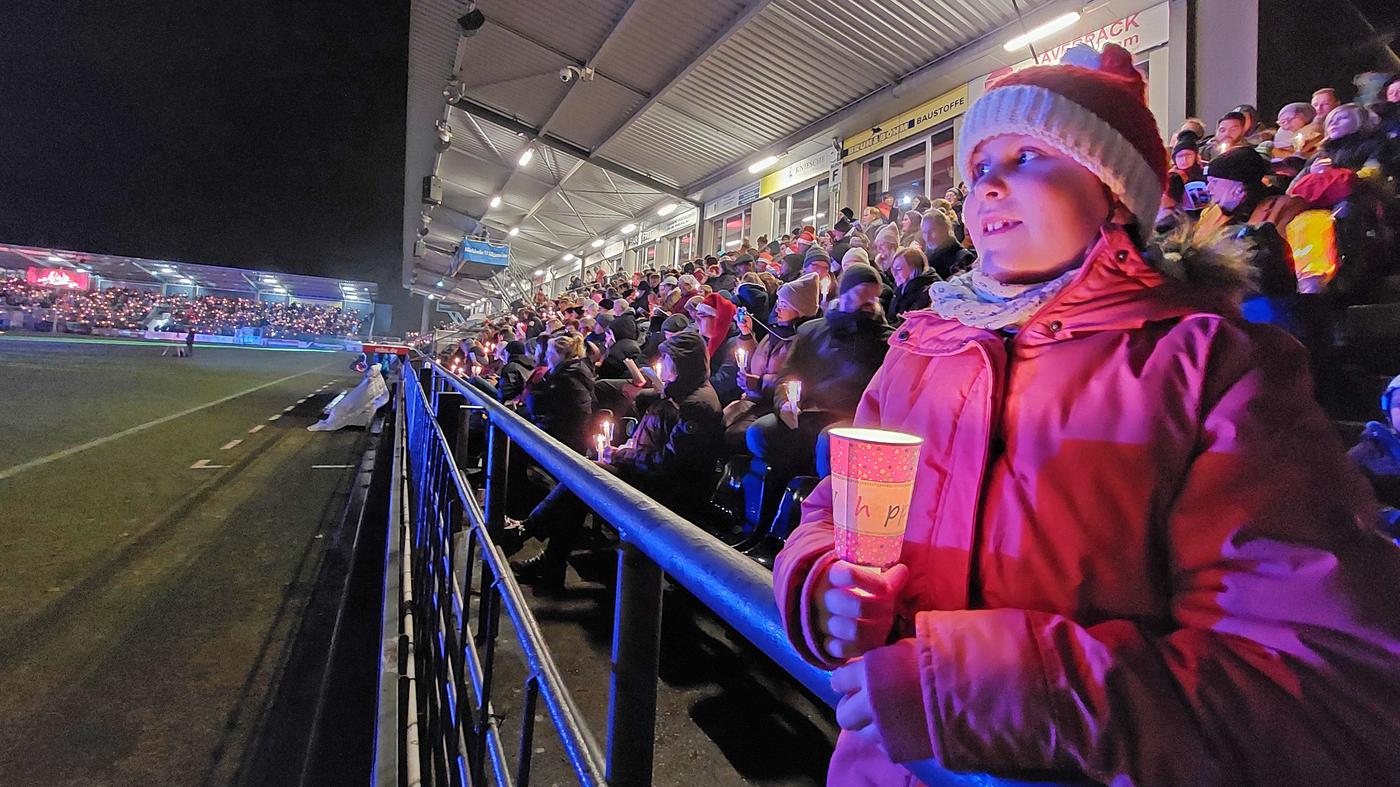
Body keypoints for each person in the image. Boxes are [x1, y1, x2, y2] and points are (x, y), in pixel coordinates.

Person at [774, 43, 1400, 786]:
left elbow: (1314, 683)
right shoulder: (923, 347)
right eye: (978, 168)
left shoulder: (1208, 366)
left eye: (1032, 156)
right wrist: (818, 582)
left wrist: (978, 690)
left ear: (1114, 191)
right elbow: (831, 514)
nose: (989, 185)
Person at [509, 331, 722, 593]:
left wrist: (620, 455)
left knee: (587, 475)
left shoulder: (696, 406)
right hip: (646, 473)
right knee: (583, 479)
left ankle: (530, 536)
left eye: (666, 360)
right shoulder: (678, 393)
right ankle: (548, 560)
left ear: (678, 363)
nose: (662, 365)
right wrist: (624, 449)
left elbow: (669, 464)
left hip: (668, 491)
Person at [749, 263, 891, 476]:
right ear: (844, 296)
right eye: (862, 295)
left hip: (852, 419)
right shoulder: (812, 331)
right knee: (759, 432)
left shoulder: (886, 340)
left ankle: (823, 501)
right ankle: (779, 494)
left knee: (829, 441)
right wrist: (785, 402)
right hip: (807, 412)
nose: (869, 303)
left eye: (874, 296)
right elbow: (788, 375)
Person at [722, 273, 821, 449]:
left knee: (739, 435)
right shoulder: (774, 333)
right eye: (778, 304)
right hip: (755, 400)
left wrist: (760, 383)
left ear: (801, 309)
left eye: (783, 305)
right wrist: (746, 334)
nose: (777, 310)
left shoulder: (804, 340)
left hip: (778, 407)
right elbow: (756, 362)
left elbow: (798, 381)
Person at [694, 293, 742, 405]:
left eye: (701, 316)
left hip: (723, 400)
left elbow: (724, 381)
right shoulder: (705, 339)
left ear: (718, 319)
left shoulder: (735, 343)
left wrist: (692, 389)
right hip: (707, 393)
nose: (697, 321)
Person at [887, 247, 939, 322]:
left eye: (898, 269)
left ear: (914, 268)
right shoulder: (900, 288)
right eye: (893, 270)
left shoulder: (928, 292)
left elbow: (912, 321)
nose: (894, 274)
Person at [919, 210, 974, 280]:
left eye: (932, 231)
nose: (927, 237)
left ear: (945, 229)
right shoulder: (924, 259)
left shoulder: (963, 258)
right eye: (924, 232)